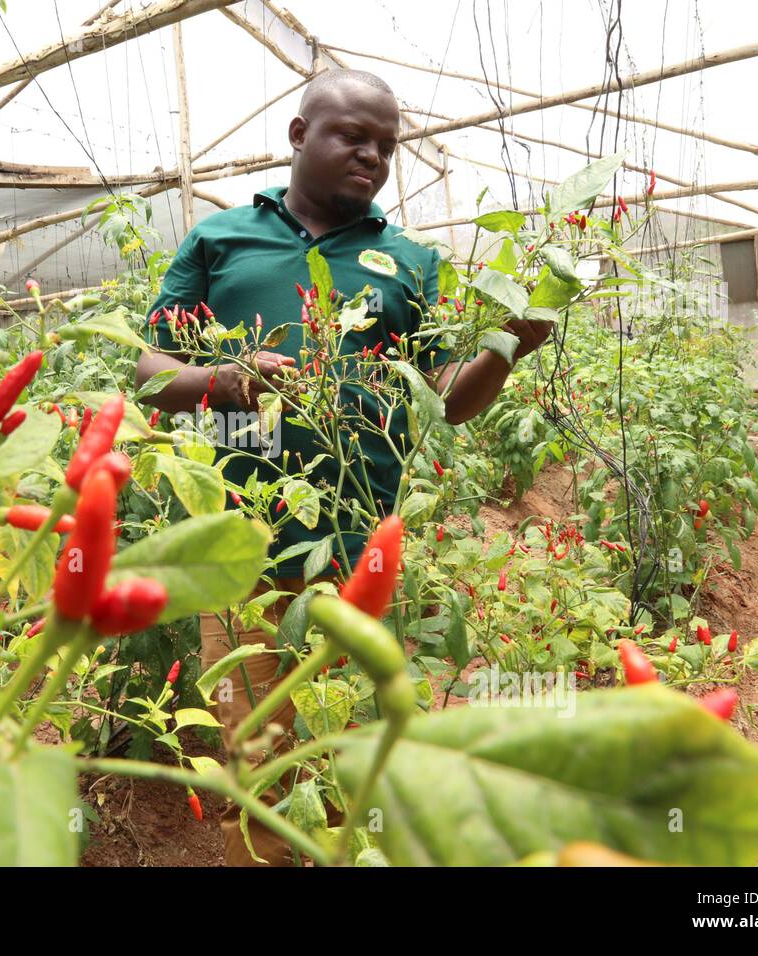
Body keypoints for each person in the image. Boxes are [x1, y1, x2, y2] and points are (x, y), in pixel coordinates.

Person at [135, 68, 551, 865]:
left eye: (387, 146)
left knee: (353, 743)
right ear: (300, 137)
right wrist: (220, 380)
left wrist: (505, 347)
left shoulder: (410, 263)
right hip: (239, 542)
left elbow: (447, 401)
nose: (373, 156)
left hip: (359, 547)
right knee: (253, 742)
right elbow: (149, 370)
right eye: (353, 137)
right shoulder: (220, 239)